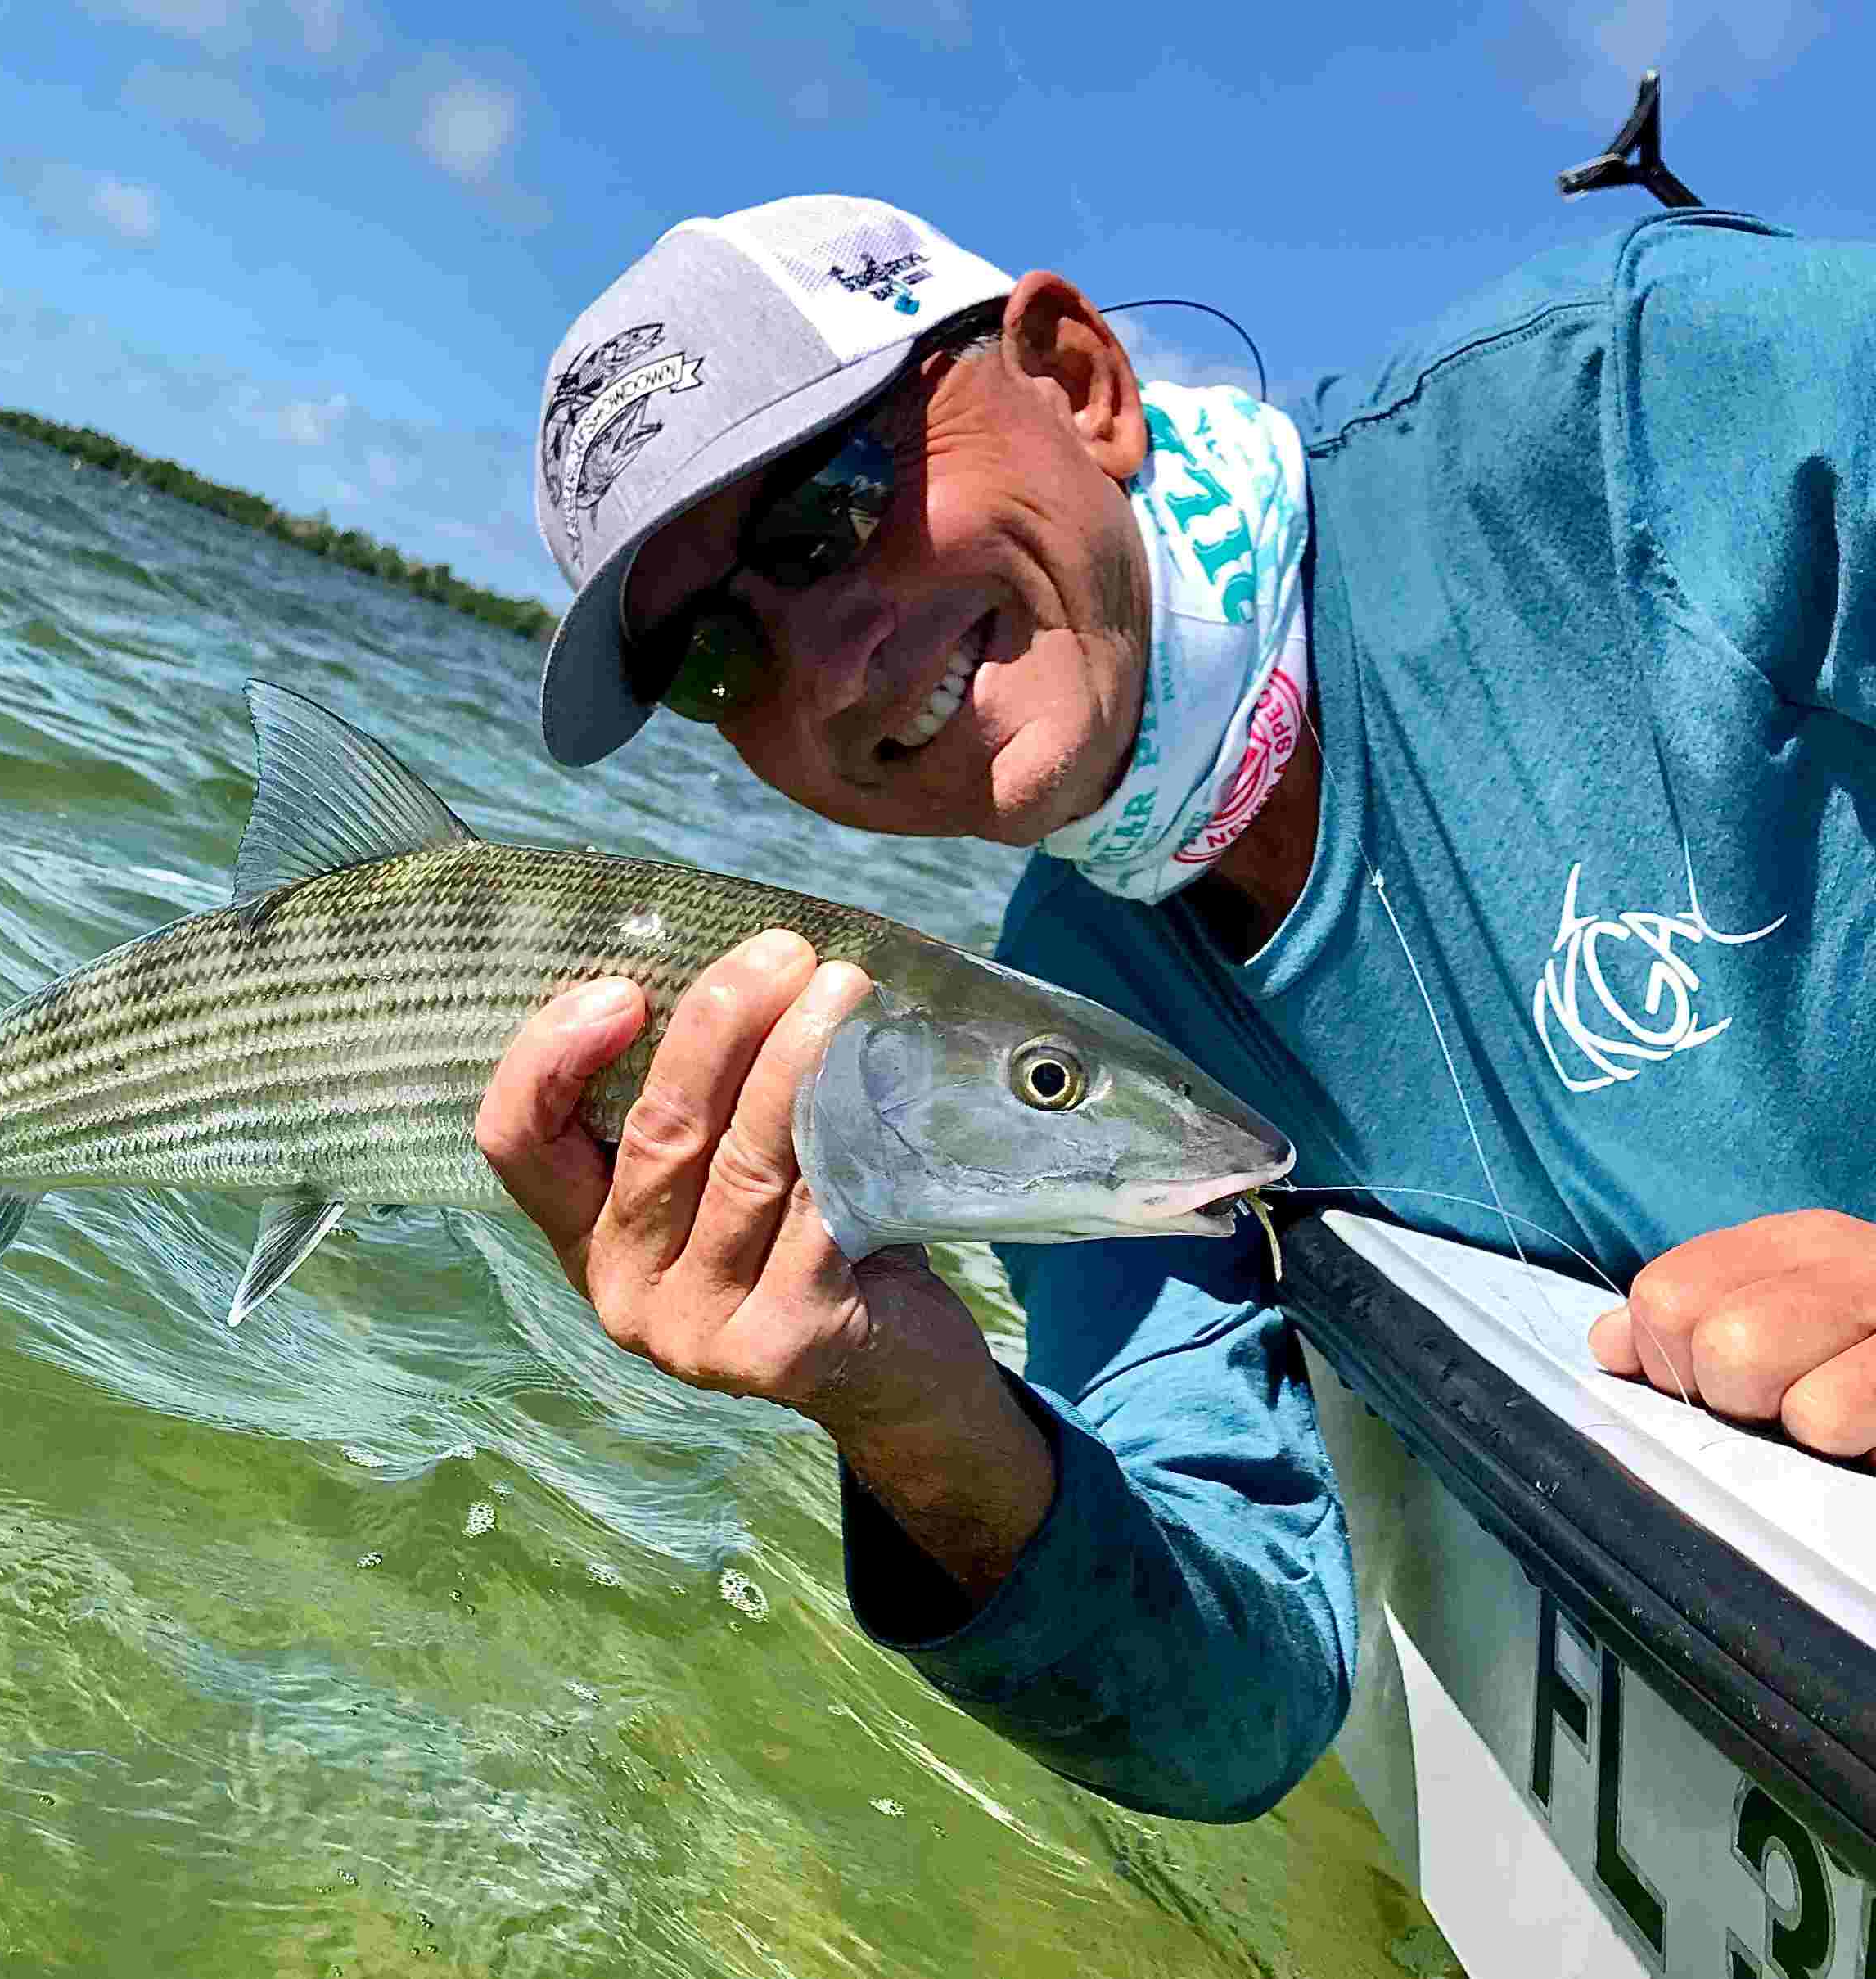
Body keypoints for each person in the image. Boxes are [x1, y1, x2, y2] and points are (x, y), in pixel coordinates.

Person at [475, 193, 1876, 1821]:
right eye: (715, 658)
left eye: (827, 512)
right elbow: (1237, 1711)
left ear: (1076, 380)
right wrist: (901, 1400)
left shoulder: (1648, 401)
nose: (832, 669)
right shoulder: (1066, 993)